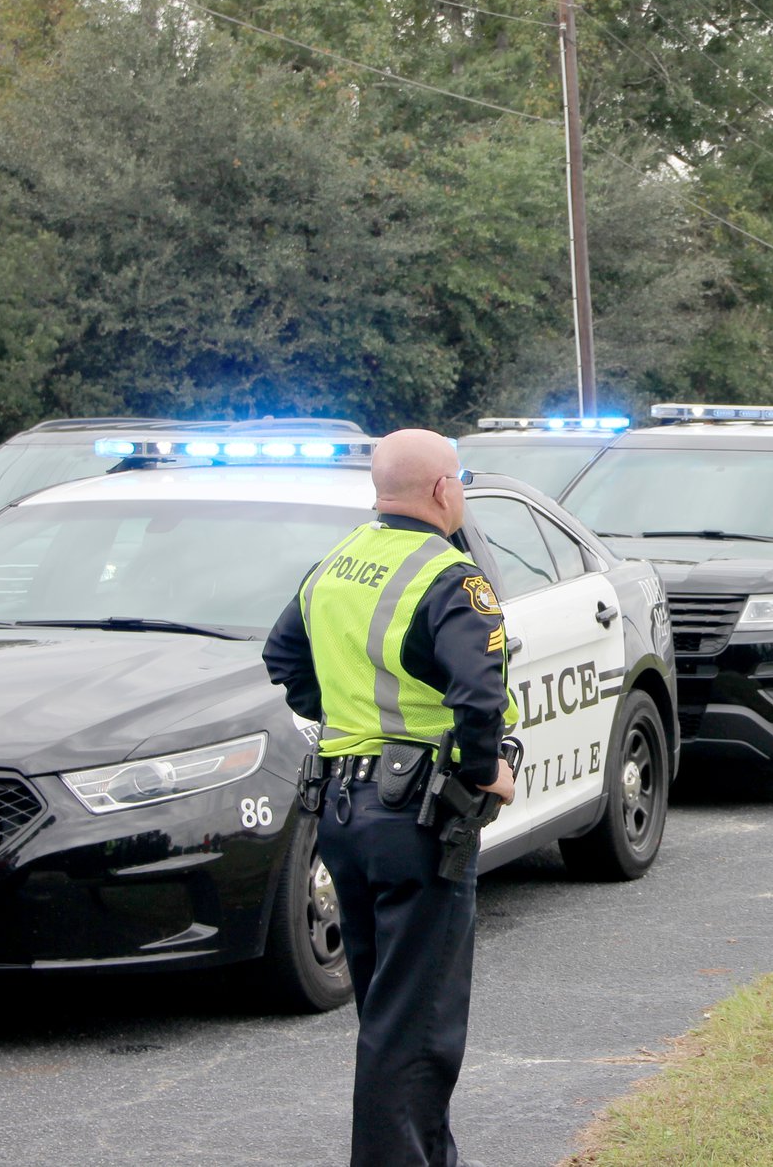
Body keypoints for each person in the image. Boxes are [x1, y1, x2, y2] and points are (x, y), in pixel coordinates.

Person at [264, 429, 519, 1167]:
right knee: (417, 1032)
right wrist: (483, 771)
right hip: (419, 819)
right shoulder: (449, 574)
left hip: (343, 813)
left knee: (390, 1013)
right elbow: (479, 695)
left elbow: (282, 656)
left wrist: (353, 723)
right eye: (460, 480)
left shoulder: (337, 563)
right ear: (443, 489)